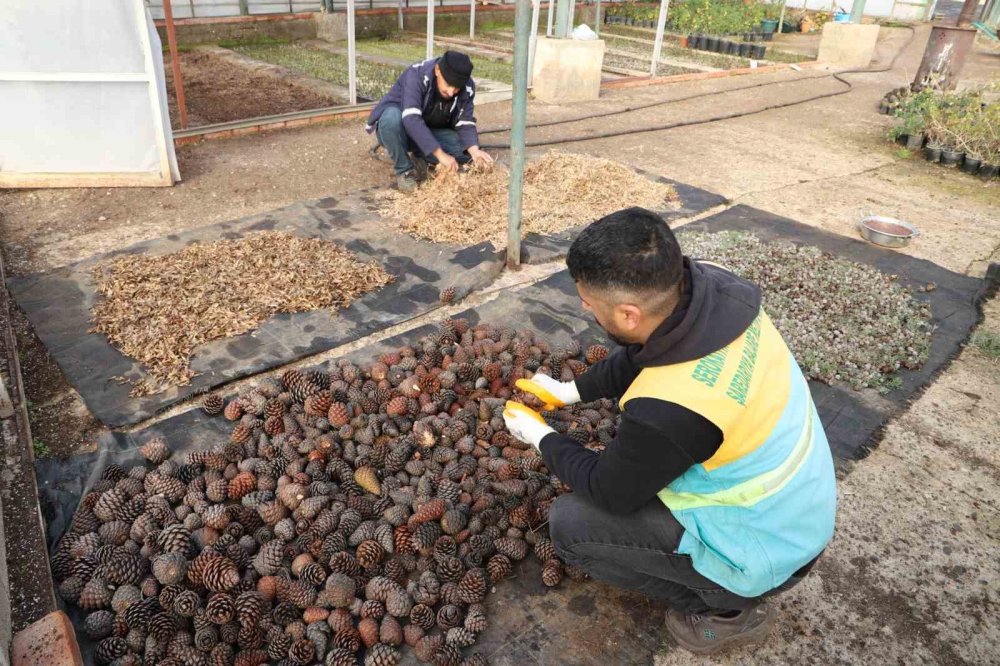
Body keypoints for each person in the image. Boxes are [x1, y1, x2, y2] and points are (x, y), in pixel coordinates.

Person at [502, 207, 837, 655]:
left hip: (766, 549)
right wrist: (569, 391)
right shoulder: (714, 292)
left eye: (588, 302)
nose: (584, 306)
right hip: (799, 502)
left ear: (628, 314)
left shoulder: (673, 408)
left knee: (571, 526)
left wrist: (541, 436)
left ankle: (728, 608)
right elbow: (645, 352)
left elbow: (611, 491)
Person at [366, 50, 494, 192]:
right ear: (437, 70)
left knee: (465, 149)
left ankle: (421, 159)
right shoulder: (416, 75)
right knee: (391, 119)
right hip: (400, 130)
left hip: (430, 131)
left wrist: (475, 151)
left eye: (457, 88)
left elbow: (465, 121)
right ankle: (404, 171)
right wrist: (441, 155)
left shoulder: (467, 87)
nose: (451, 92)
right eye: (449, 84)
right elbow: (411, 119)